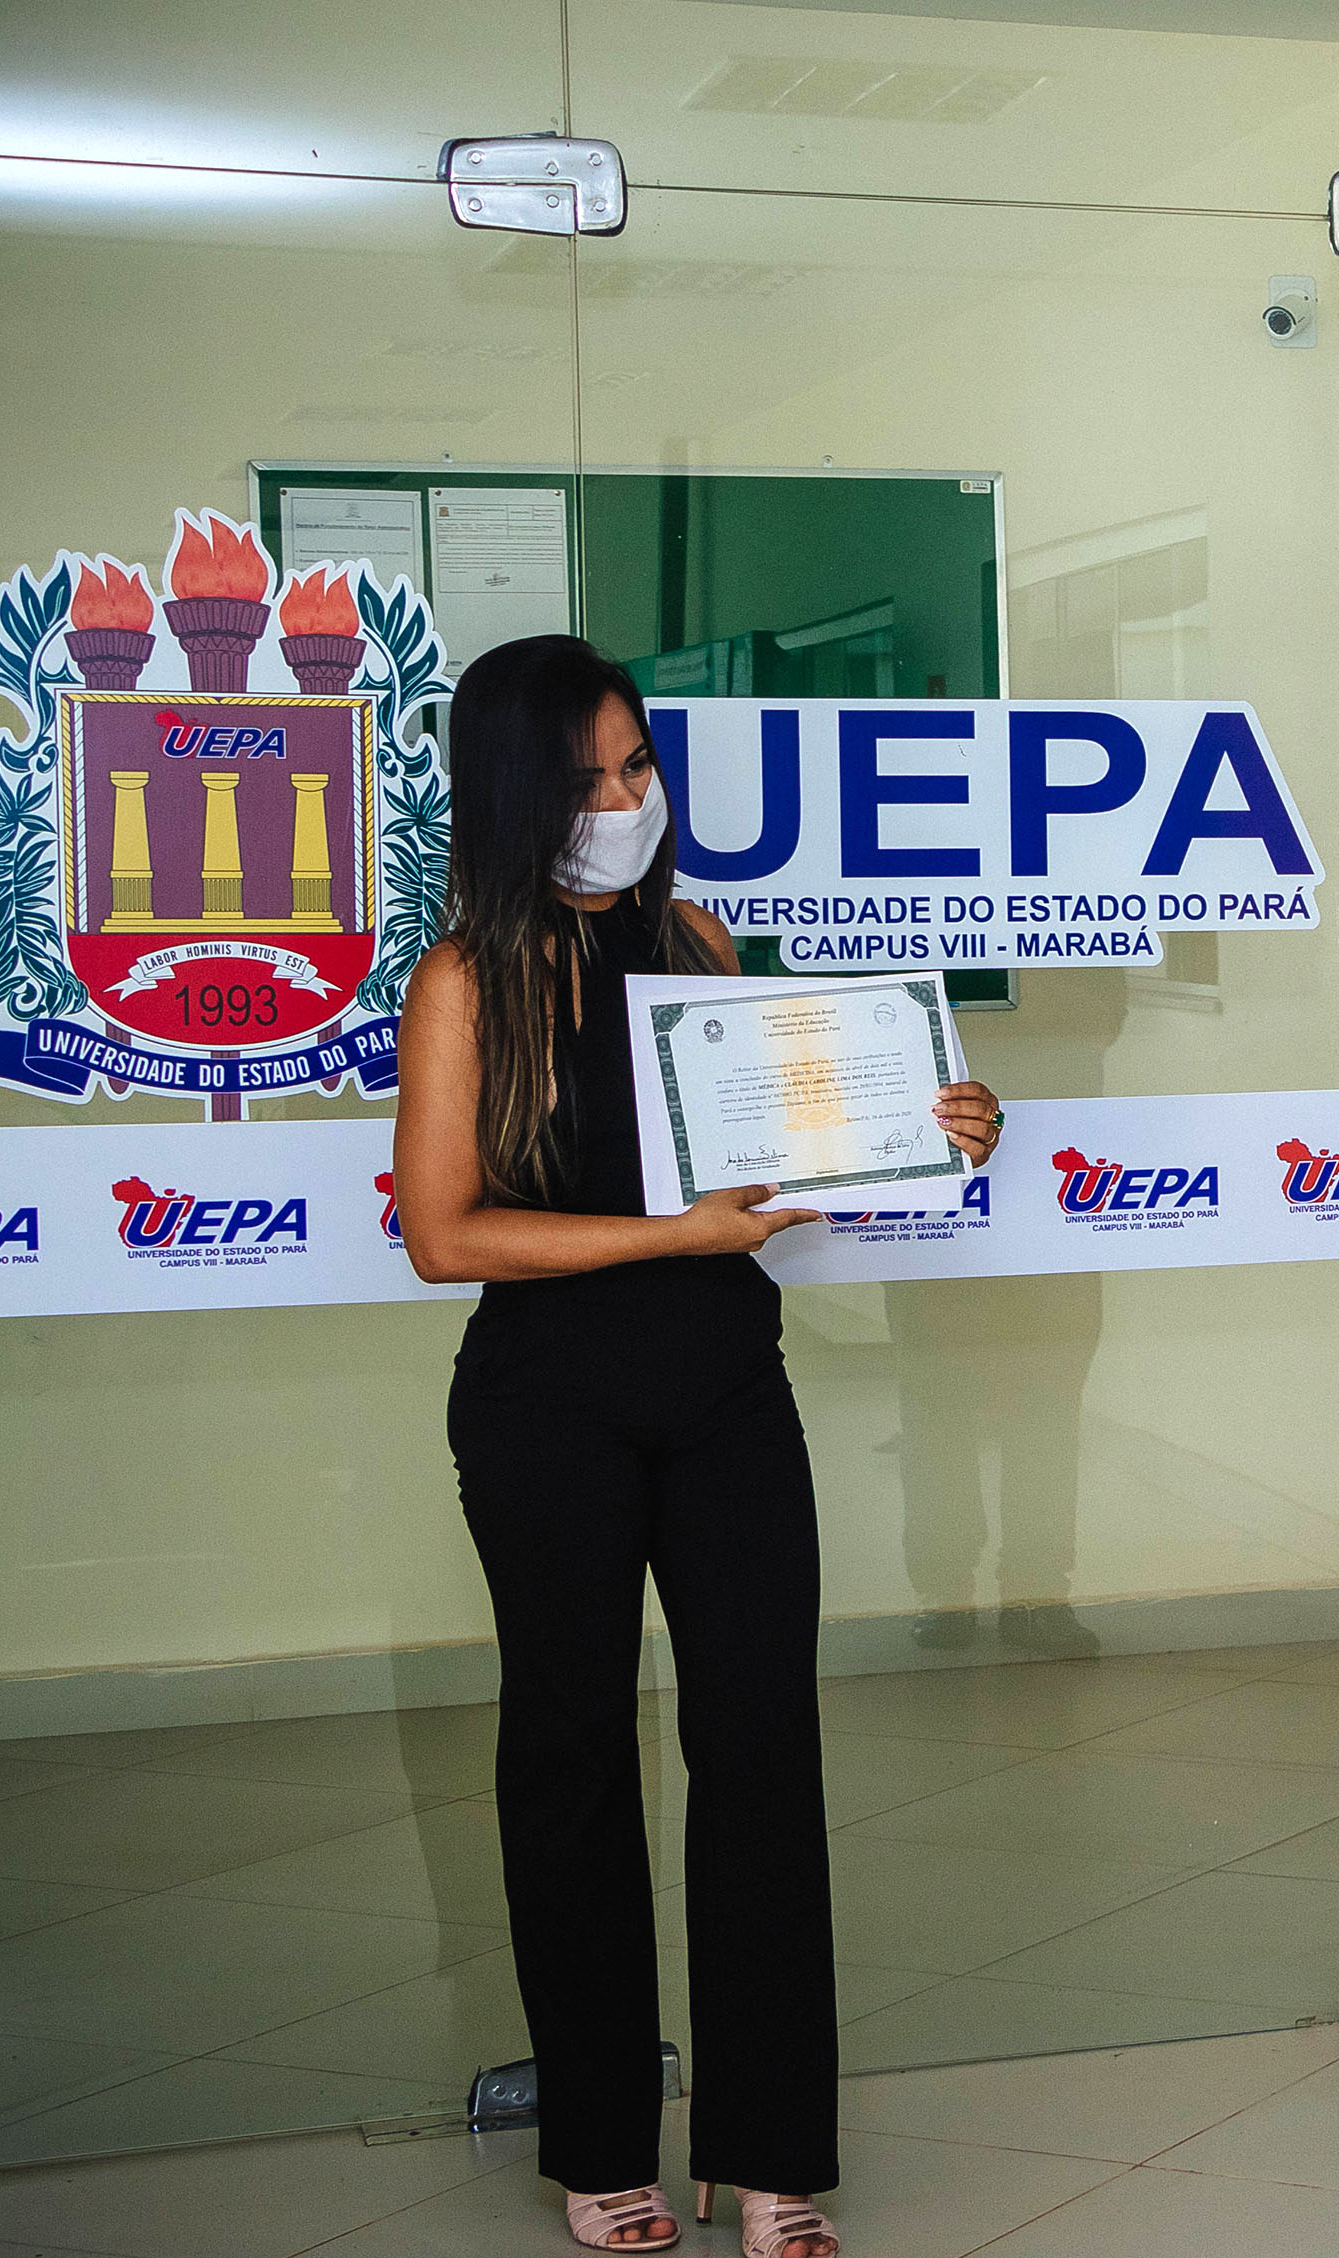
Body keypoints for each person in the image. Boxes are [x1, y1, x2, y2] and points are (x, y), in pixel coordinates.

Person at [393, 637, 1005, 2258]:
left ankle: (769, 2151)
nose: (623, 802)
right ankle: (601, 2141)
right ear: (515, 796)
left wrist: (938, 1125)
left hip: (728, 1388)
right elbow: (445, 1235)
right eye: (587, 779)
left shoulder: (700, 939)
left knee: (762, 1750)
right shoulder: (463, 983)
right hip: (547, 1407)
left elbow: (779, 1152)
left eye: (637, 767)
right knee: (574, 1758)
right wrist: (668, 1234)